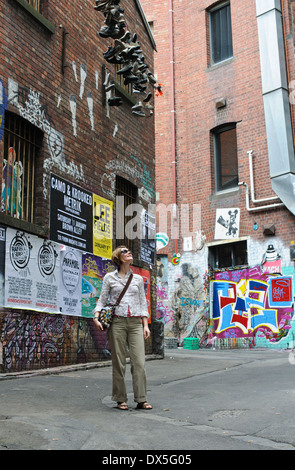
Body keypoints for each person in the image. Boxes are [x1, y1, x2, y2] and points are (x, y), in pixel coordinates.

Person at [93, 246, 153, 411]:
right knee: (119, 362)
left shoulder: (138, 280)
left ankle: (141, 398)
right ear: (118, 258)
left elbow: (143, 302)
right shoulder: (109, 278)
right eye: (125, 252)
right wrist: (96, 317)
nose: (129, 253)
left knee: (139, 362)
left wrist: (145, 325)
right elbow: (102, 300)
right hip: (117, 323)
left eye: (129, 251)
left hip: (135, 324)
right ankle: (120, 399)